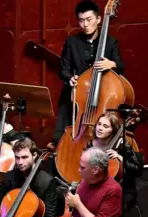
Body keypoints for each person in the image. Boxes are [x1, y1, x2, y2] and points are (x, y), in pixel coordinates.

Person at [51, 0, 124, 147]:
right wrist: (70, 78)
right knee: (59, 137)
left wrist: (112, 64)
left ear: (98, 19)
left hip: (100, 99)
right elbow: (63, 69)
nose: (85, 25)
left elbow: (121, 67)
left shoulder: (110, 42)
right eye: (81, 20)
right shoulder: (72, 41)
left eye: (89, 20)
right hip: (75, 98)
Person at [90, 112, 142, 205]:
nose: (100, 128)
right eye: (99, 124)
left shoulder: (122, 144)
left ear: (113, 130)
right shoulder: (92, 142)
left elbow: (138, 170)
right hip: (97, 186)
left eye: (105, 126)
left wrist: (120, 158)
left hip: (122, 188)